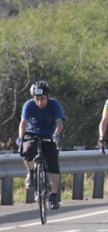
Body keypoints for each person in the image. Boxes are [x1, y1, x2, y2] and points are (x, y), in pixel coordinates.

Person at [19, 80, 65, 210]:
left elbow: (59, 123)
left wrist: (56, 133)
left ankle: (53, 196)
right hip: (32, 133)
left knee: (53, 165)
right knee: (27, 149)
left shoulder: (54, 104)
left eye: (42, 99)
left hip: (49, 135)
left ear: (48, 96)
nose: (40, 102)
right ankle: (31, 172)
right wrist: (21, 137)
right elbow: (23, 123)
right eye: (37, 99)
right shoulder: (28, 105)